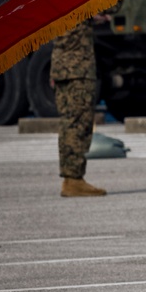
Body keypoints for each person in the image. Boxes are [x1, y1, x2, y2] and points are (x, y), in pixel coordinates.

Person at [51, 17, 105, 198]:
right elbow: (111, 3)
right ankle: (73, 180)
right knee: (78, 124)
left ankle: (70, 178)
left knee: (68, 123)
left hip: (61, 67)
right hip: (78, 70)